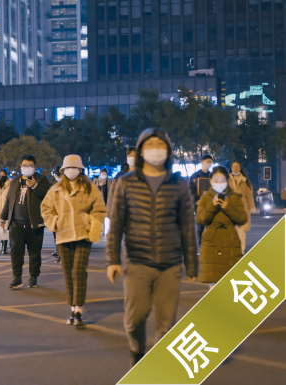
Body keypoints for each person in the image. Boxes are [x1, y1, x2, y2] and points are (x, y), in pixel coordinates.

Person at [106, 127, 198, 367]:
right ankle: (137, 350)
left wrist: (192, 263)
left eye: (161, 145)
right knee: (134, 319)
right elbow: (115, 225)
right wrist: (113, 260)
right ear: (140, 151)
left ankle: (157, 368)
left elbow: (188, 226)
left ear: (168, 151)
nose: (155, 150)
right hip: (137, 262)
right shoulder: (126, 183)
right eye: (150, 145)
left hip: (170, 264)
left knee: (166, 324)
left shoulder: (178, 184)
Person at [41, 155, 106, 329]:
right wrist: (54, 222)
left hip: (83, 236)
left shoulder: (90, 188)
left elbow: (100, 209)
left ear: (80, 170)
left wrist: (93, 223)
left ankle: (78, 310)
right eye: (67, 168)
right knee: (68, 273)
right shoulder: (55, 190)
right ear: (63, 171)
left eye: (74, 168)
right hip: (63, 237)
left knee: (78, 270)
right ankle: (72, 307)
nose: (71, 171)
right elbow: (45, 209)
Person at [0, 155, 51, 289]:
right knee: (16, 250)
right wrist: (3, 217)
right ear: (20, 166)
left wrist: (34, 185)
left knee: (34, 252)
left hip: (34, 224)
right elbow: (8, 201)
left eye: (30, 166)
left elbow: (48, 195)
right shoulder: (15, 182)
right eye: (24, 166)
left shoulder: (42, 180)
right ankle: (16, 277)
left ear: (34, 167)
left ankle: (33, 276)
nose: (27, 168)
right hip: (16, 223)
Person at [197, 166, 247, 289]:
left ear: (228, 181)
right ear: (210, 181)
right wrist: (212, 206)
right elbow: (201, 219)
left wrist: (228, 207)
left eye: (223, 180)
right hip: (211, 243)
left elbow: (242, 219)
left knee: (230, 282)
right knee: (213, 282)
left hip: (230, 241)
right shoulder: (205, 197)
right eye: (216, 180)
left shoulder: (235, 197)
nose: (220, 184)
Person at [229, 161, 254, 253]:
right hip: (231, 207)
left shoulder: (245, 181)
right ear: (231, 168)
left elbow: (249, 195)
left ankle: (241, 248)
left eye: (237, 166)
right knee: (232, 229)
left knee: (242, 230)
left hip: (243, 207)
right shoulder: (227, 180)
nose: (235, 168)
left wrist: (252, 207)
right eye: (233, 166)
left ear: (240, 168)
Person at [190, 154, 214, 244]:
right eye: (208, 162)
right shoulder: (195, 176)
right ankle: (201, 244)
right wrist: (196, 199)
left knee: (210, 225)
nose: (209, 164)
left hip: (210, 204)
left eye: (211, 162)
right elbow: (191, 189)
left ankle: (209, 244)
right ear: (202, 162)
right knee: (200, 226)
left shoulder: (213, 175)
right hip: (199, 204)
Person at [50, 166, 63, 262]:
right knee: (57, 236)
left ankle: (60, 253)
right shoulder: (51, 185)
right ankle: (59, 253)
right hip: (55, 214)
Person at [95, 168, 111, 237]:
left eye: (105, 174)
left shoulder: (109, 181)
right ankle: (100, 231)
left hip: (107, 201)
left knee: (107, 217)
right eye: (102, 174)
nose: (104, 175)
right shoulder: (97, 181)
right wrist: (99, 186)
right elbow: (95, 191)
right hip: (100, 201)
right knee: (100, 217)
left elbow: (111, 190)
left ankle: (107, 232)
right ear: (100, 174)